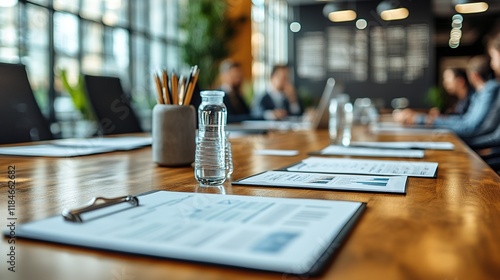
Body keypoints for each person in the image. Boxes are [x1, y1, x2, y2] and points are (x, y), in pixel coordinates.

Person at [397, 56, 498, 138]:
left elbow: (468, 127)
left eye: (447, 79)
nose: (445, 83)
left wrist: (425, 120)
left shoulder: (489, 89)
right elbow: (463, 120)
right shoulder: (478, 94)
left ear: (473, 76)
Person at [394, 67, 472, 125]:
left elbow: (464, 124)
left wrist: (423, 119)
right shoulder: (459, 101)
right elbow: (456, 118)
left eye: (447, 79)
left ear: (460, 81)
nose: (445, 83)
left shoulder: (472, 100)